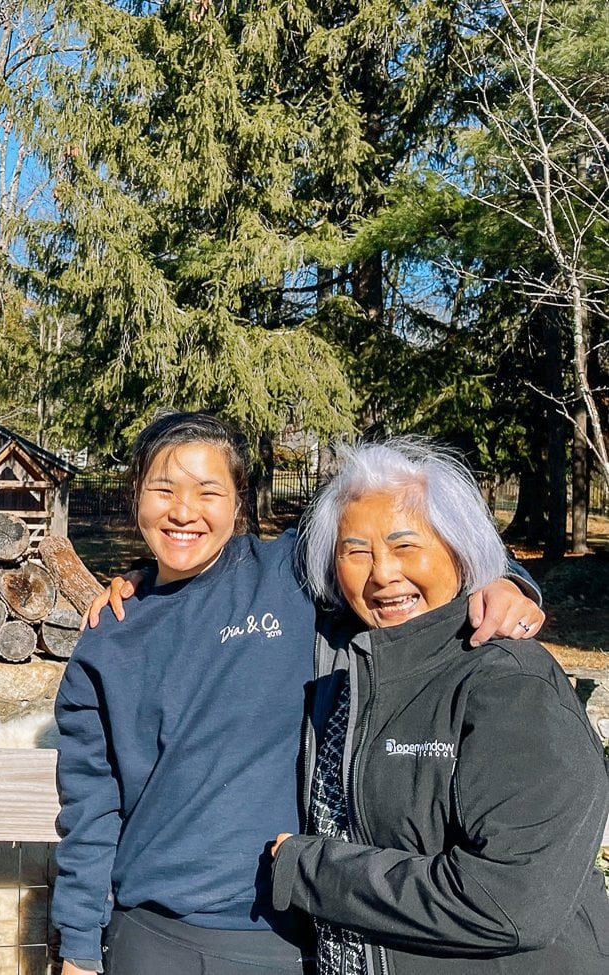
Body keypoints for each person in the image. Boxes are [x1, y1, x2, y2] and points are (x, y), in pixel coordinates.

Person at [54, 413, 543, 975]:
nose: (183, 512)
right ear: (134, 494)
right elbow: (91, 809)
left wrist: (507, 580)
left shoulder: (291, 574)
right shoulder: (108, 640)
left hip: (287, 935)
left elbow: (415, 543)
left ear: (238, 502)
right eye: (163, 489)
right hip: (152, 936)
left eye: (208, 491)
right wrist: (79, 949)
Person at [268, 438, 609, 973]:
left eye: (407, 547)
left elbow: (511, 905)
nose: (382, 573)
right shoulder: (349, 661)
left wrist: (308, 869)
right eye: (356, 552)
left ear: (459, 550)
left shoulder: (509, 685)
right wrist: (142, 585)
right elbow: (223, 565)